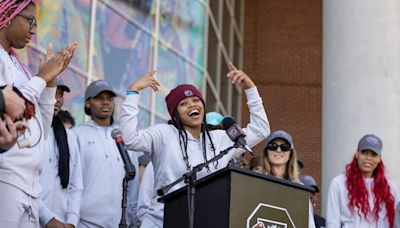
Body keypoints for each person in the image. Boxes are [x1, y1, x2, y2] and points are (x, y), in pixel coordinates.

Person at [120, 63, 270, 227]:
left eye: (196, 100)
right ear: (175, 114)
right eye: (183, 103)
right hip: (161, 222)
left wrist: (250, 88)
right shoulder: (164, 134)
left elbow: (260, 130)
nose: (192, 105)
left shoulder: (219, 139)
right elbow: (129, 139)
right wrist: (133, 92)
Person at [0, 0, 77, 227]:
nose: (34, 29)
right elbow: (13, 108)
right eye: (30, 21)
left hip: (31, 185)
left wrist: (50, 82)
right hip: (6, 176)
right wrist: (41, 77)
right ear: (9, 14)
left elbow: (41, 128)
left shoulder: (18, 65)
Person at [73, 80, 139, 227]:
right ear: (87, 103)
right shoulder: (76, 135)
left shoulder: (125, 138)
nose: (105, 103)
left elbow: (133, 186)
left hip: (120, 223)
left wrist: (133, 221)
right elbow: (72, 183)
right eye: (99, 98)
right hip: (84, 223)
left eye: (109, 98)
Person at [326, 134, 399, 228]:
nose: (368, 158)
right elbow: (332, 222)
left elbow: (397, 220)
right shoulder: (338, 183)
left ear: (379, 158)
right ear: (357, 154)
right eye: (364, 152)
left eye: (374, 154)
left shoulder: (390, 187)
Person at [39, 78, 83, 228]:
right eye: (52, 93)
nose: (57, 100)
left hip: (63, 223)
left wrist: (71, 221)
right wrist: (48, 219)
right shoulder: (28, 129)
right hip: (31, 219)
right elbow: (25, 182)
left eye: (61, 94)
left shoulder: (70, 136)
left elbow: (76, 185)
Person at [255, 130, 316, 228]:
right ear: (267, 151)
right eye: (273, 146)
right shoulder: (254, 181)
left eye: (284, 147)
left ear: (291, 153)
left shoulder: (300, 189)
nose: (278, 150)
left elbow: (309, 225)